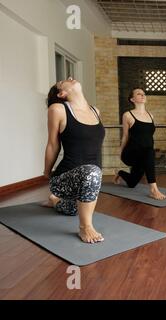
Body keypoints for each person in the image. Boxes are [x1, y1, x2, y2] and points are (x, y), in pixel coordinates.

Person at [42, 77, 105, 244]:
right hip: (64, 178)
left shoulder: (95, 111)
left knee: (73, 210)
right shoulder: (58, 109)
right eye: (64, 81)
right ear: (62, 93)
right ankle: (85, 228)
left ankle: (54, 201)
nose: (70, 78)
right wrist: (47, 173)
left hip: (91, 179)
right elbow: (52, 144)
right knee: (92, 172)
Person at [114, 88, 166, 200]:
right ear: (132, 99)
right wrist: (120, 151)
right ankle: (154, 190)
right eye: (139, 94)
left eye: (144, 94)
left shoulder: (150, 115)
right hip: (131, 153)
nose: (143, 95)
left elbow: (148, 136)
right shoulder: (127, 115)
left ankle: (119, 172)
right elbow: (125, 136)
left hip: (145, 155)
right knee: (149, 151)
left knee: (132, 183)